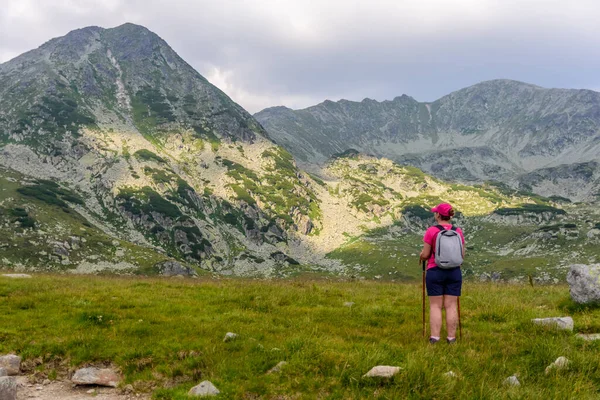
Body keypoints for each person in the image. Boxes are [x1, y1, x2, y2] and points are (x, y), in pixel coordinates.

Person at [419, 202, 465, 344]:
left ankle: (435, 338)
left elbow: (426, 254)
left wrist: (421, 256)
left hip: (435, 270)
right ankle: (451, 338)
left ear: (438, 215)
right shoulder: (458, 231)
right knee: (451, 305)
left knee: (435, 305)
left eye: (435, 212)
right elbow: (462, 254)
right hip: (454, 272)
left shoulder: (432, 231)